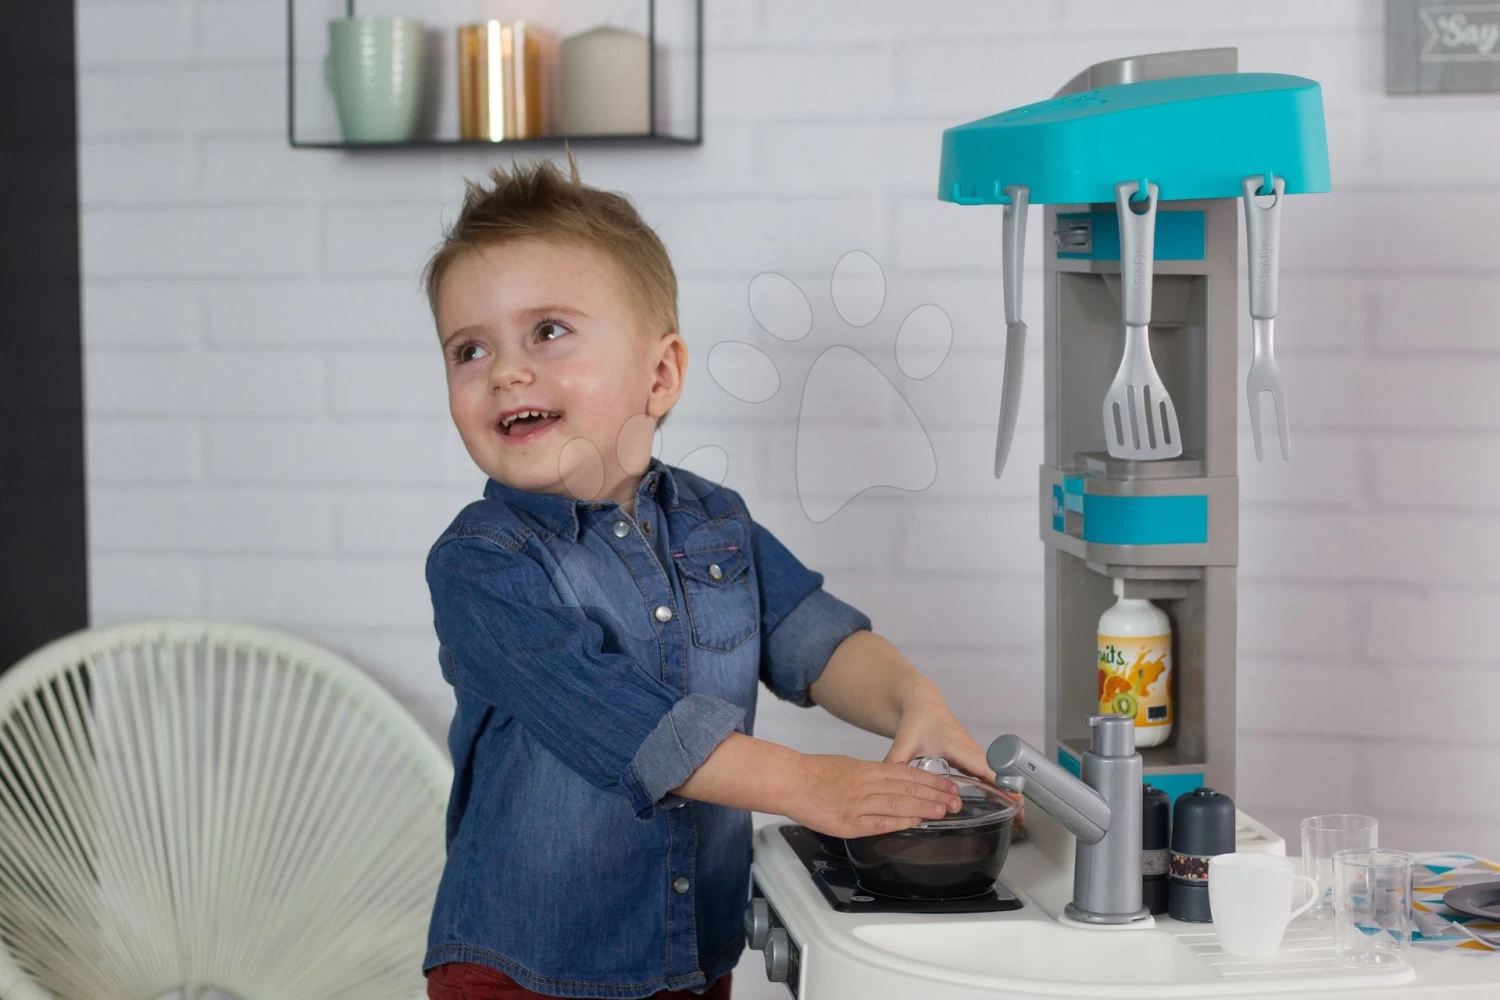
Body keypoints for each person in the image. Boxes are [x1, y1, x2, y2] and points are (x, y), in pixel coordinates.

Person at [421, 155, 1002, 1000]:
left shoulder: (716, 521)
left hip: (692, 955)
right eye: (469, 349)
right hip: (527, 969)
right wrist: (809, 785)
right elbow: (625, 728)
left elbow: (815, 639)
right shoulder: (482, 565)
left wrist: (917, 703)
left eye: (547, 331)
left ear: (659, 376)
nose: (505, 370)